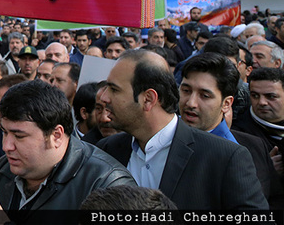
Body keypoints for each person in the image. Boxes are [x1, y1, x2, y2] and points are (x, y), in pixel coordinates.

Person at [97, 49, 267, 209]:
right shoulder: (107, 150)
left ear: (148, 99)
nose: (103, 97)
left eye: (114, 89)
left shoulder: (225, 158)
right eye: (185, 90)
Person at [0, 80, 134, 222]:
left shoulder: (106, 184)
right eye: (4, 132)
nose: (6, 146)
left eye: (19, 136)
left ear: (56, 135)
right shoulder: (2, 169)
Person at [179, 53, 284, 208]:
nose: (191, 103)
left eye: (205, 95)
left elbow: (274, 201)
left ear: (226, 103)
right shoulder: (161, 142)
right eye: (186, 91)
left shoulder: (254, 146)